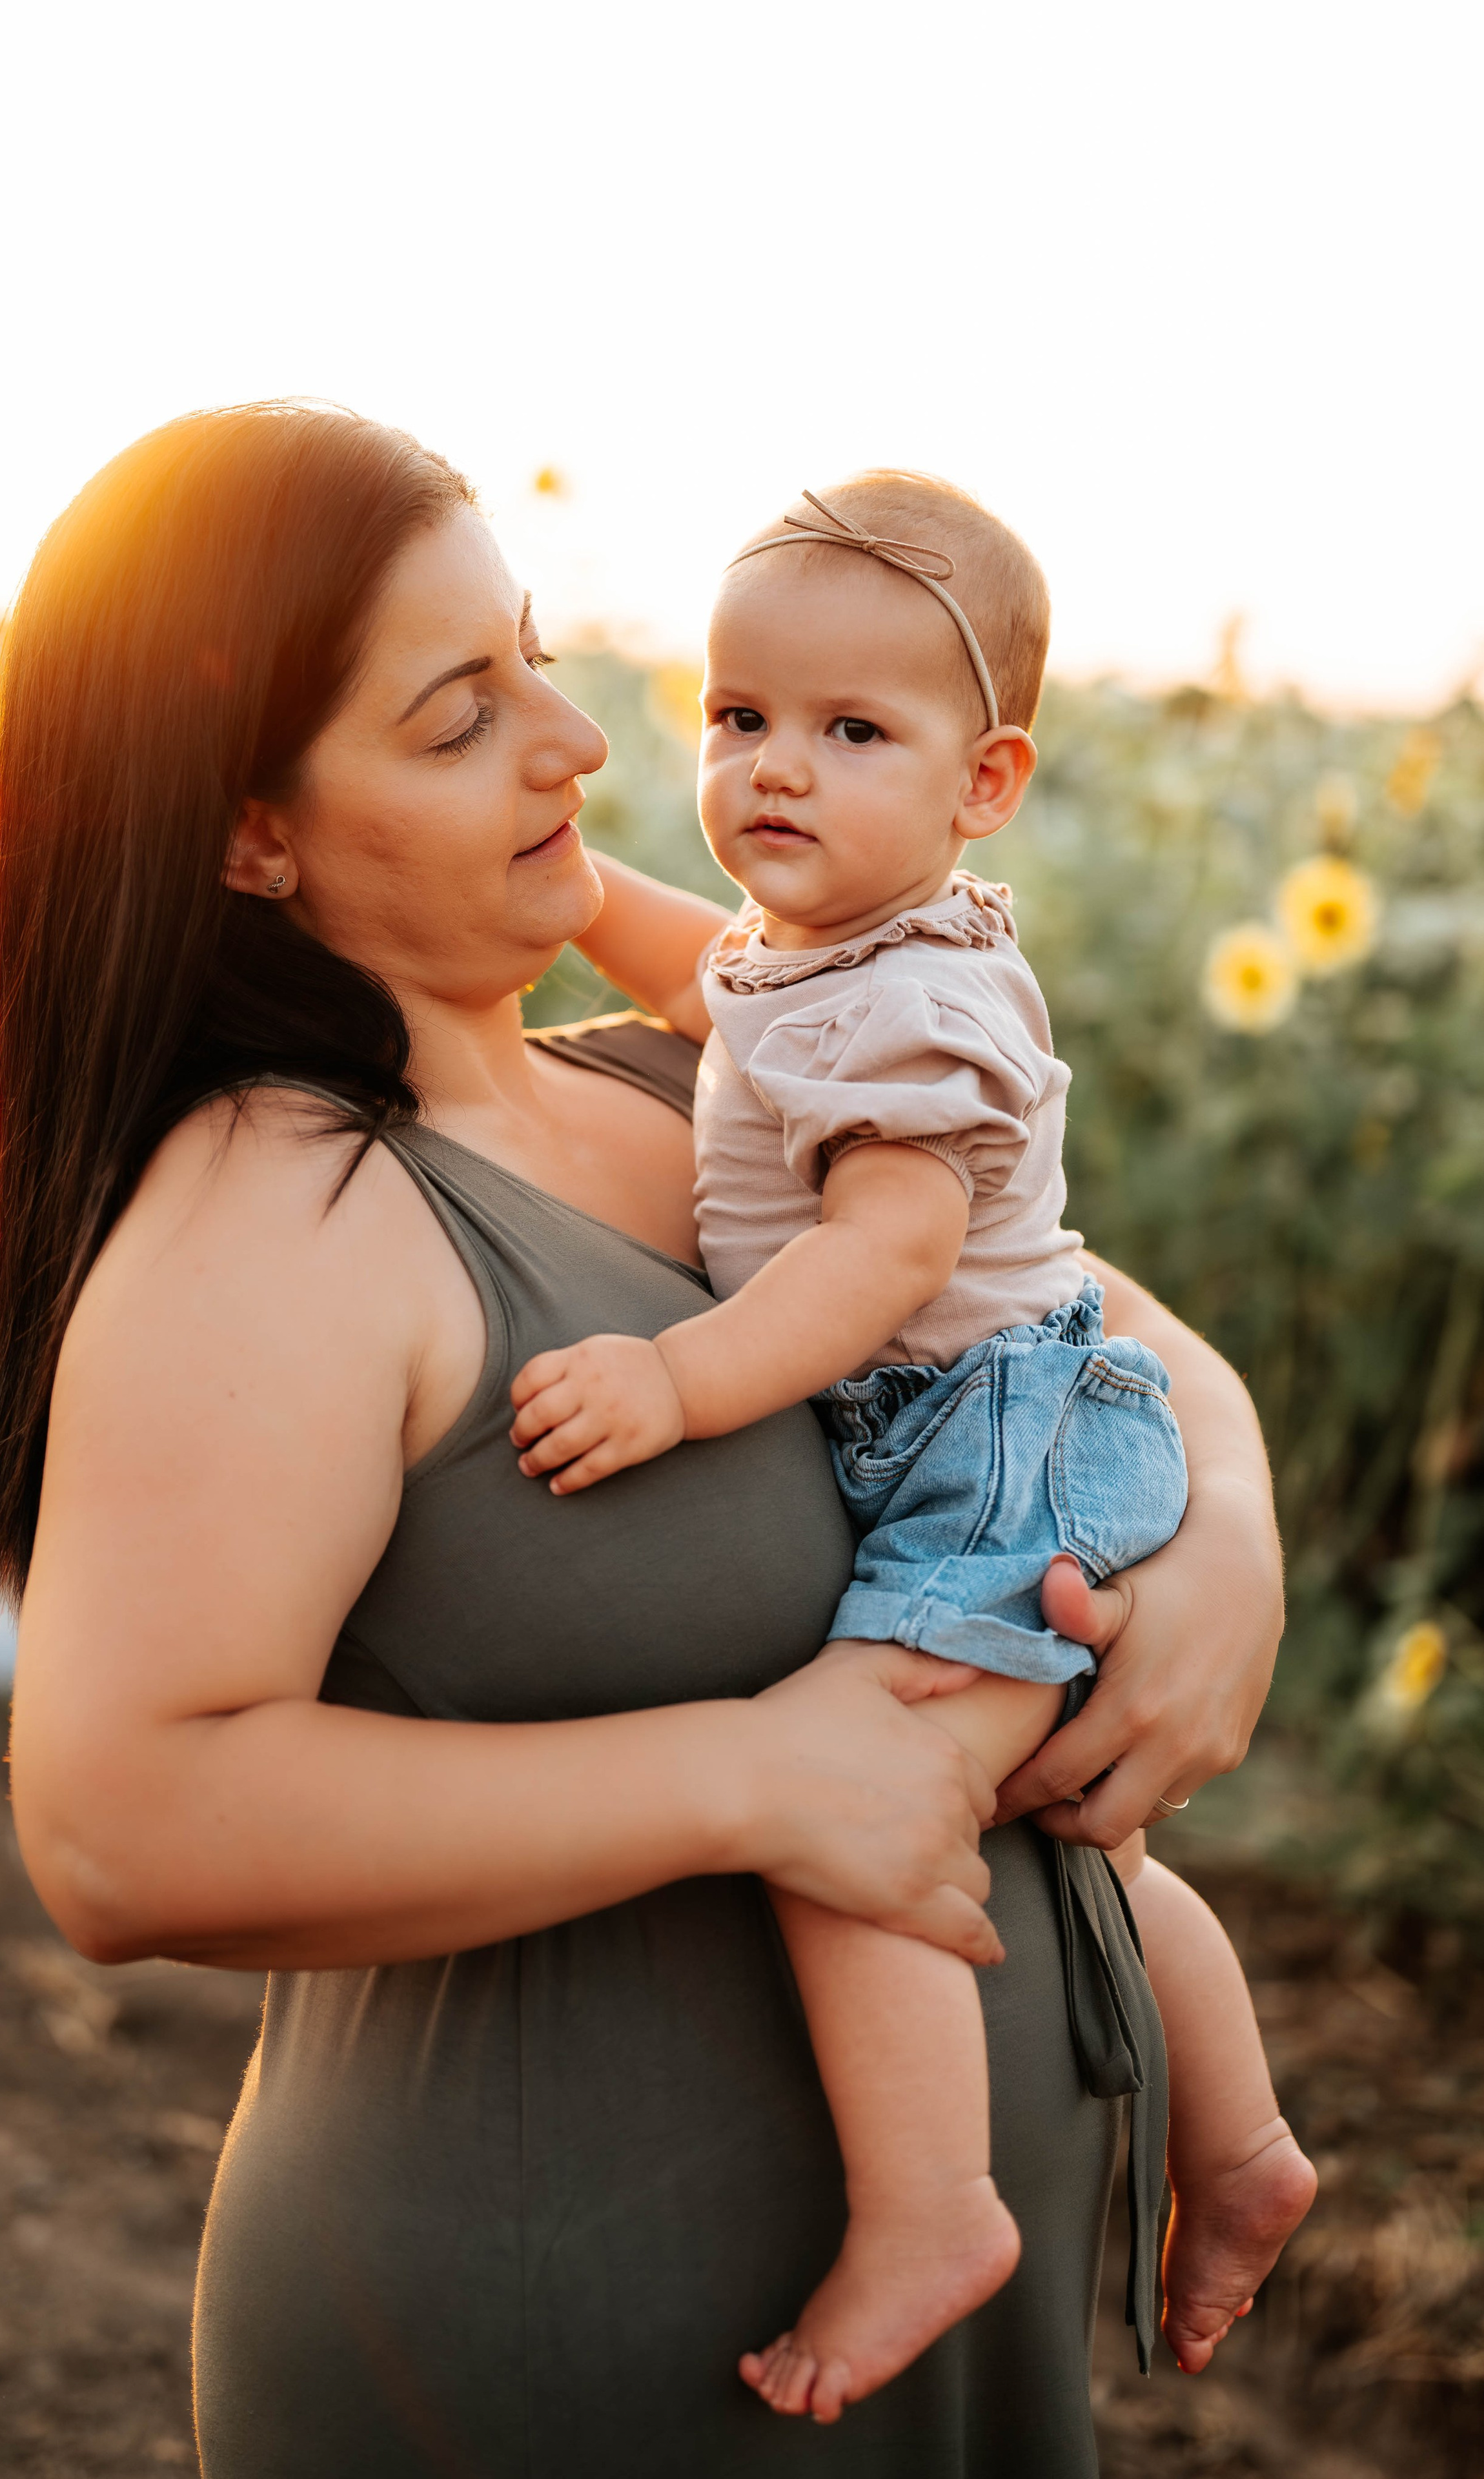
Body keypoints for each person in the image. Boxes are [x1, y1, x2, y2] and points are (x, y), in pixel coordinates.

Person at [0, 403, 1284, 2477]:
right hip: (574, 2332)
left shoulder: (684, 1082)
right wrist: (755, 1776)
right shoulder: (273, 1219)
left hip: (893, 2348)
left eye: (543, 656)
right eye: (458, 711)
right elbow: (123, 1826)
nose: (577, 744)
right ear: (250, 830)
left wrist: (1233, 1532)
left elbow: (1040, 1289)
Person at [511, 471, 1317, 2421]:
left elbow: (891, 1251)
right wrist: (574, 890)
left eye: (851, 732)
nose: (775, 769)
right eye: (738, 718)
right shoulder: (831, 951)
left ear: (987, 782)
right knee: (1051, 1825)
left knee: (852, 1807)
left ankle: (932, 2213)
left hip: (997, 1446)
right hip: (988, 1437)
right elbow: (701, 966)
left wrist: (683, 1382)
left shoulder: (922, 1005)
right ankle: (1243, 2146)